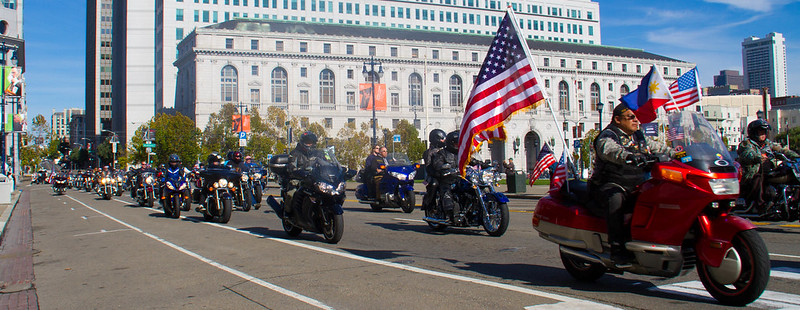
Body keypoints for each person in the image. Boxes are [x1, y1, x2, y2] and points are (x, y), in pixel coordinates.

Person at [589, 103, 673, 267]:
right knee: (616, 199)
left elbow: (659, 148)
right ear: (618, 120)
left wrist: (680, 153)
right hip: (609, 184)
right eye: (631, 117)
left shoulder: (639, 136)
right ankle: (617, 249)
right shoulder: (608, 135)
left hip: (636, 185)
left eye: (636, 117)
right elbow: (609, 150)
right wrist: (628, 155)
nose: (636, 120)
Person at [737, 119, 798, 210]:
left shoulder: (768, 143)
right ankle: (761, 204)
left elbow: (781, 150)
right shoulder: (746, 143)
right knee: (758, 176)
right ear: (754, 133)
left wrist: (796, 156)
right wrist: (757, 157)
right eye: (760, 132)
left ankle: (791, 201)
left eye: (764, 132)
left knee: (788, 171)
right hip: (752, 172)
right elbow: (747, 154)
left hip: (769, 171)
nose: (763, 135)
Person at [431, 130, 463, 223]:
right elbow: (437, 164)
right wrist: (443, 167)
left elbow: (470, 160)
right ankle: (449, 213)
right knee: (447, 194)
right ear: (450, 143)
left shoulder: (461, 153)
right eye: (456, 143)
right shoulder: (442, 153)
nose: (457, 145)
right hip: (448, 179)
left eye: (458, 143)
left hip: (460, 178)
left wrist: (482, 164)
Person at [285, 132, 318, 214]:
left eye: (311, 142)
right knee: (291, 194)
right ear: (303, 142)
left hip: (313, 179)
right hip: (298, 179)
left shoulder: (317, 154)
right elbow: (291, 167)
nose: (309, 144)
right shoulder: (295, 153)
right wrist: (298, 172)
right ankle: (287, 213)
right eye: (307, 142)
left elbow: (326, 163)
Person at [422, 129, 447, 210]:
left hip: (446, 174)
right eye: (442, 139)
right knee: (434, 184)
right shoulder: (429, 152)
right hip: (434, 175)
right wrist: (436, 173)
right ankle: (430, 204)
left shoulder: (446, 151)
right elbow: (428, 165)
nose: (444, 141)